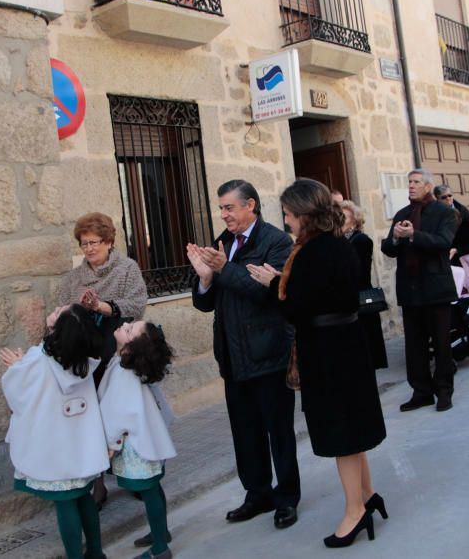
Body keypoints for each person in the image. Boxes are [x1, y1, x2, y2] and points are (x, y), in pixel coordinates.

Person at [247, 179, 386, 548]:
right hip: (346, 345)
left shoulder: (313, 251)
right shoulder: (336, 243)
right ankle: (369, 495)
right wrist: (282, 282)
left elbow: (297, 307)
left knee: (341, 435)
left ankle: (355, 511)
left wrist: (271, 286)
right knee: (353, 429)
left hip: (329, 352)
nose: (287, 221)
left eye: (290, 214)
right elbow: (321, 294)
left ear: (305, 215)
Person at [186, 179, 301, 529]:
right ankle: (257, 494)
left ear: (250, 205)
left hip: (268, 353)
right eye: (220, 208)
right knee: (245, 432)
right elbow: (205, 303)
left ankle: (286, 498)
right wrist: (205, 278)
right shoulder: (224, 244)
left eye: (229, 207)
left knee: (278, 431)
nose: (223, 214)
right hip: (233, 357)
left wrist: (223, 269)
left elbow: (267, 293)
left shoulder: (276, 242)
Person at [51, 211, 148, 508]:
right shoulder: (74, 278)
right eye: (84, 244)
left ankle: (136, 476)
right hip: (86, 357)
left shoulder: (127, 269)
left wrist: (103, 306)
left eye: (94, 242)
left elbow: (137, 305)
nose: (89, 249)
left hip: (118, 352)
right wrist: (76, 309)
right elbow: (62, 313)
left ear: (108, 241)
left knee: (125, 415)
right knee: (91, 419)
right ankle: (97, 485)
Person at [0, 306, 108, 559]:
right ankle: (95, 552)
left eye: (61, 312)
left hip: (55, 449)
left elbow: (18, 396)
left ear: (62, 328)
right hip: (80, 445)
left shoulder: (39, 359)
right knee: (83, 498)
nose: (56, 308)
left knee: (65, 503)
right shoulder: (82, 360)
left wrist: (17, 366)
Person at [98, 321, 177, 559]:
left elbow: (117, 413)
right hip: (146, 439)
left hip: (135, 445)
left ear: (133, 347)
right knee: (154, 487)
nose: (124, 324)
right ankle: (160, 532)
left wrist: (109, 443)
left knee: (149, 490)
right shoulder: (126, 365)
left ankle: (160, 549)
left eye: (130, 329)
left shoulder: (125, 373)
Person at [381, 169, 458, 412]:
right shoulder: (402, 214)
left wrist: (414, 235)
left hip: (436, 288)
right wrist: (395, 237)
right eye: (409, 182)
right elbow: (388, 248)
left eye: (416, 182)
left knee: (442, 343)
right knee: (414, 346)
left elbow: (444, 242)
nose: (411, 186)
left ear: (427, 186)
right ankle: (421, 391)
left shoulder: (445, 212)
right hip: (410, 288)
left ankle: (444, 390)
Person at [341, 199, 388, 369]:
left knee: (365, 354)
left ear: (354, 220)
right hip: (348, 302)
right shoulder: (338, 240)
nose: (339, 220)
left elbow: (359, 274)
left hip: (360, 301)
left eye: (344, 217)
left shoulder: (361, 240)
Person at [434, 185, 469, 265]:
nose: (448, 198)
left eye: (450, 195)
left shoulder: (463, 211)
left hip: (461, 254)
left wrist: (458, 249)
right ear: (438, 199)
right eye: (444, 197)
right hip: (444, 255)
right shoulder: (434, 214)